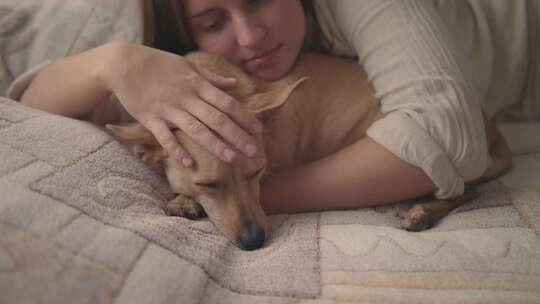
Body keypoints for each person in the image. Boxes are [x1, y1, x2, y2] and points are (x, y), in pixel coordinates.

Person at [9, 0, 536, 214]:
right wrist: (114, 63)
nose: (249, 34)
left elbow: (449, 136)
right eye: (214, 21)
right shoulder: (181, 51)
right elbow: (26, 114)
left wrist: (244, 196)